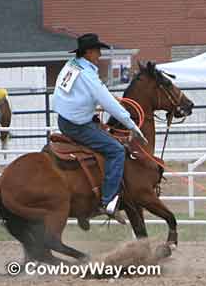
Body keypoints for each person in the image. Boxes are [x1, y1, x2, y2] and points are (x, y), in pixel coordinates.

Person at [53, 33, 148, 222]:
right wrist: (132, 126)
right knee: (116, 150)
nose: (100, 54)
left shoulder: (72, 65)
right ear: (88, 52)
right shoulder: (88, 74)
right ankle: (108, 200)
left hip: (66, 118)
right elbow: (106, 100)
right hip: (77, 125)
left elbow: (77, 92)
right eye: (97, 51)